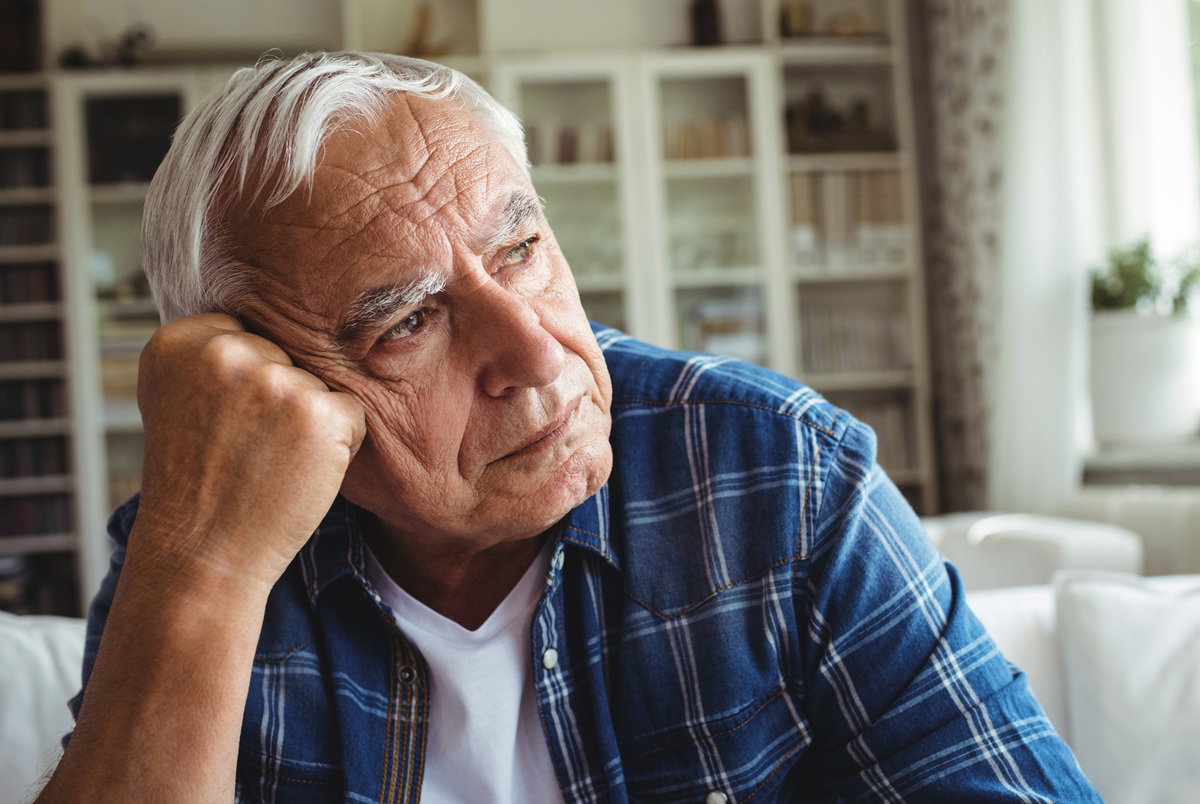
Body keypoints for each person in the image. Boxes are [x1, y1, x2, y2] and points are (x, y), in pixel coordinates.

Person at [39, 52, 1099, 802]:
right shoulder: (194, 551)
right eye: (409, 321)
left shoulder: (779, 476)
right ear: (260, 383)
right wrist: (203, 571)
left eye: (520, 252)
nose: (543, 354)